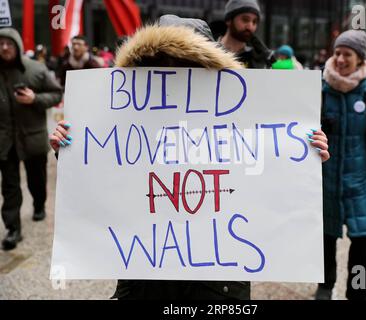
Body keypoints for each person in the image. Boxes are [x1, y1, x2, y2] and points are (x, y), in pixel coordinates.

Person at [49, 15, 330, 300]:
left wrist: (304, 155)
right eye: (165, 61)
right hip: (145, 269)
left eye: (186, 64)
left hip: (218, 275)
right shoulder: (124, 117)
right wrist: (73, 153)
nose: (175, 72)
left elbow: (268, 183)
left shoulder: (236, 117)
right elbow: (102, 182)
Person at [317, 30, 366, 300]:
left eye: (346, 54)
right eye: (337, 53)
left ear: (360, 58)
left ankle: (358, 292)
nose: (339, 59)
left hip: (359, 181)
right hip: (325, 180)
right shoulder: (320, 89)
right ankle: (325, 286)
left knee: (362, 244)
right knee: (324, 240)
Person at [0, 28, 63, 250]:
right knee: (9, 186)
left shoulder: (36, 69)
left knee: (37, 179)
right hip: (5, 141)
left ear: (17, 45)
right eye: (1, 43)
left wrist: (35, 98)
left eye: (9, 43)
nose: (4, 47)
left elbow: (57, 93)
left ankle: (39, 204)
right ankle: (13, 229)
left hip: (32, 137)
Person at [219, 0, 275, 69]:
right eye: (245, 19)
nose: (250, 26)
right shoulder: (207, 52)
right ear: (229, 20)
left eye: (254, 22)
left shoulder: (262, 59)